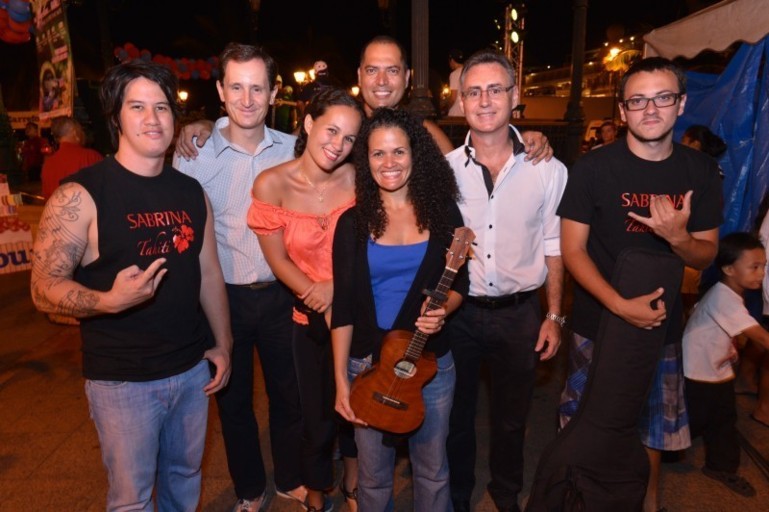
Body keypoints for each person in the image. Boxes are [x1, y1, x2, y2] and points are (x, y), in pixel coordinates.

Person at [29, 59, 233, 511]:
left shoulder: (189, 191)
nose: (152, 118)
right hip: (122, 381)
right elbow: (43, 287)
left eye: (161, 107)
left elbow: (210, 274)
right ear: (115, 116)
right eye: (137, 106)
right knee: (131, 499)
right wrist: (108, 300)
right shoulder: (80, 193)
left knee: (185, 479)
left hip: (189, 370)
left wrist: (223, 344)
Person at [557, 56, 722, 512]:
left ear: (681, 103)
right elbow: (573, 251)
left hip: (663, 329)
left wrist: (679, 239)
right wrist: (617, 304)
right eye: (638, 100)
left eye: (662, 98)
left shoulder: (701, 172)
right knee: (583, 421)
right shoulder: (592, 169)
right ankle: (579, 499)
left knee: (652, 429)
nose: (650, 110)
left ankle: (647, 504)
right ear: (623, 109)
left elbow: (706, 254)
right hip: (597, 323)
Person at [173, 42, 306, 512]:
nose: (247, 98)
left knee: (290, 396)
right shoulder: (194, 154)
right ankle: (250, 489)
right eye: (236, 87)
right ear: (220, 91)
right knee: (231, 402)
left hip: (284, 295)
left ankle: (291, 478)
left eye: (257, 88)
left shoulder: (295, 152)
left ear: (273, 93)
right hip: (220, 297)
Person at [443, 50, 567, 512]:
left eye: (496, 89)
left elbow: (554, 244)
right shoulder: (446, 171)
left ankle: (505, 494)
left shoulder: (549, 169)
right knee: (455, 416)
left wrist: (554, 314)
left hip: (520, 315)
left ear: (515, 97)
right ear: (461, 101)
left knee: (512, 420)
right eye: (474, 91)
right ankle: (456, 495)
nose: (485, 100)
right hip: (460, 313)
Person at [332, 107, 469, 510]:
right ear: (365, 160)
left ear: (416, 155)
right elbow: (342, 308)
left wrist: (445, 310)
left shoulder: (444, 214)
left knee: (432, 470)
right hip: (368, 365)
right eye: (378, 153)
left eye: (399, 152)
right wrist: (341, 379)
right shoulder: (352, 223)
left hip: (430, 365)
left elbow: (462, 284)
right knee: (373, 479)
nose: (389, 163)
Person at [248, 88, 365, 512]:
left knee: (356, 409)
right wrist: (319, 293)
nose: (338, 144)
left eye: (350, 138)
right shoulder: (271, 183)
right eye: (331, 129)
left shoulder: (359, 177)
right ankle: (316, 493)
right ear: (309, 123)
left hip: (358, 313)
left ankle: (354, 485)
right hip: (307, 316)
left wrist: (338, 288)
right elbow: (278, 260)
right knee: (314, 417)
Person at [174, 35, 552, 164]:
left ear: (407, 78)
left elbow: (468, 174)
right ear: (359, 76)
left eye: (392, 71)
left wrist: (524, 139)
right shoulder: (336, 129)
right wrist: (210, 123)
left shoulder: (425, 133)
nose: (383, 81)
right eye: (372, 70)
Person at [683, 232, 768, 497]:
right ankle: (654, 453)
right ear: (729, 268)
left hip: (714, 370)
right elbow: (762, 338)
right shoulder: (725, 299)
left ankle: (720, 466)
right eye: (754, 267)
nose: (761, 273)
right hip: (699, 373)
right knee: (694, 420)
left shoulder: (726, 291)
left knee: (722, 419)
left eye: (764, 266)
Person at [41, 116, 103, 200]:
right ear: (75, 132)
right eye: (81, 130)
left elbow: (47, 198)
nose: (83, 134)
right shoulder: (91, 157)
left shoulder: (47, 164)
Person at [446, 48, 465, 117]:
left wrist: (447, 108)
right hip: (467, 114)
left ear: (452, 60)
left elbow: (453, 98)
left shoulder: (454, 74)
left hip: (456, 114)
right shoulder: (469, 72)